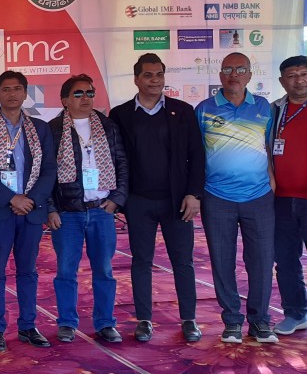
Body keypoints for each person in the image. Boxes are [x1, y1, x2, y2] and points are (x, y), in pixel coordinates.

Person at [110, 55, 205, 343]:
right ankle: (144, 320)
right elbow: (116, 159)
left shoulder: (182, 111)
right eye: (148, 75)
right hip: (139, 201)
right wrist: (120, 198)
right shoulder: (120, 114)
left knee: (183, 261)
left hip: (177, 201)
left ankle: (189, 319)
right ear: (136, 79)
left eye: (159, 74)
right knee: (142, 261)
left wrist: (194, 194)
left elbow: (197, 156)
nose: (155, 80)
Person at [196, 52, 278, 344]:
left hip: (259, 197)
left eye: (240, 69)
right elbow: (195, 154)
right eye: (228, 69)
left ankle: (260, 321)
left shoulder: (264, 108)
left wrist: (272, 180)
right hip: (217, 197)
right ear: (220, 75)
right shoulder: (204, 109)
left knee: (262, 261)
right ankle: (231, 321)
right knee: (222, 261)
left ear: (250, 75)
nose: (234, 74)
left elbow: (270, 147)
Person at [0, 71, 56, 351]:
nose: (12, 94)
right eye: (6, 89)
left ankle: (28, 326)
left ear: (25, 93)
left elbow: (49, 170)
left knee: (28, 271)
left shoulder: (40, 128)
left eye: (17, 88)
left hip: (30, 211)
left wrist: (30, 199)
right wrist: (11, 199)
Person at [48, 75, 129, 344]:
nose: (86, 98)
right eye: (79, 93)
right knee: (66, 271)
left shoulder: (108, 126)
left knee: (104, 270)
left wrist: (117, 199)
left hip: (101, 210)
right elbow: (45, 174)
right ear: (65, 100)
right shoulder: (53, 129)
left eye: (90, 93)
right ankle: (67, 323)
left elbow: (122, 163)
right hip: (67, 212)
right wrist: (50, 209)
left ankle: (105, 323)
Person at [272, 55, 307, 336]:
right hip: (280, 200)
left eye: (305, 74)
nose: (299, 81)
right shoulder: (274, 110)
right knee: (285, 260)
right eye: (292, 76)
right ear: (282, 81)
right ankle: (296, 313)